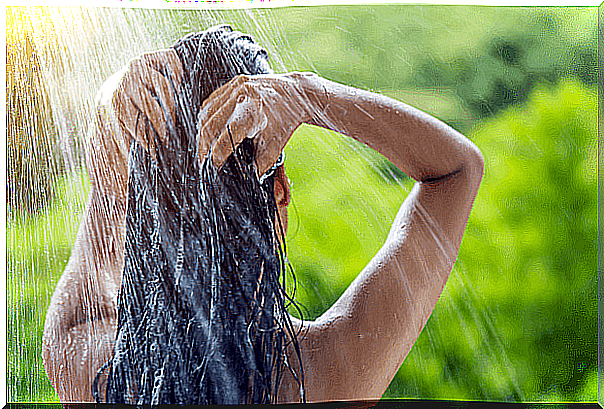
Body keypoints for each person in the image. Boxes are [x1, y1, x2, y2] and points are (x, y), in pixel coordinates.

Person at [42, 25, 484, 404]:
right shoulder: (324, 373)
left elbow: (105, 195)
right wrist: (308, 94)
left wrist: (117, 102)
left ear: (145, 211)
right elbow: (457, 170)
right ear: (280, 192)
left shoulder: (92, 370)